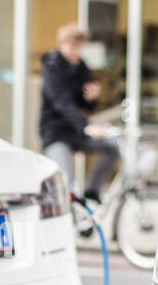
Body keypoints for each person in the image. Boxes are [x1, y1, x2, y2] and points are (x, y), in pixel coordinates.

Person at [38, 23, 119, 202]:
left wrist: (93, 98)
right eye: (72, 47)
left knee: (112, 149)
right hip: (56, 134)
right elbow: (62, 103)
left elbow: (86, 104)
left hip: (75, 132)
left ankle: (91, 192)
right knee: (66, 180)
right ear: (61, 45)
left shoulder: (80, 66)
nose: (76, 52)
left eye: (79, 48)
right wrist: (86, 127)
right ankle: (69, 220)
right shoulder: (52, 68)